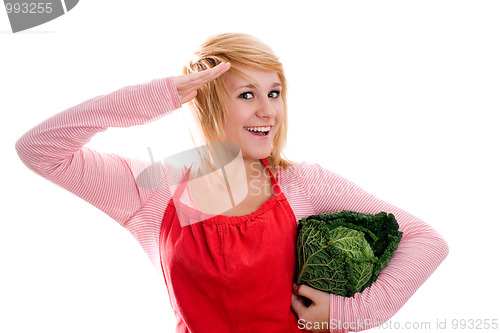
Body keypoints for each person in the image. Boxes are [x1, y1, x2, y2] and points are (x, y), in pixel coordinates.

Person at [15, 33, 449, 333]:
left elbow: (426, 241)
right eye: (246, 94)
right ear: (203, 103)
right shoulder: (150, 189)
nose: (268, 112)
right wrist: (159, 95)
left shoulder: (301, 183)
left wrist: (348, 314)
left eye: (274, 93)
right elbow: (39, 148)